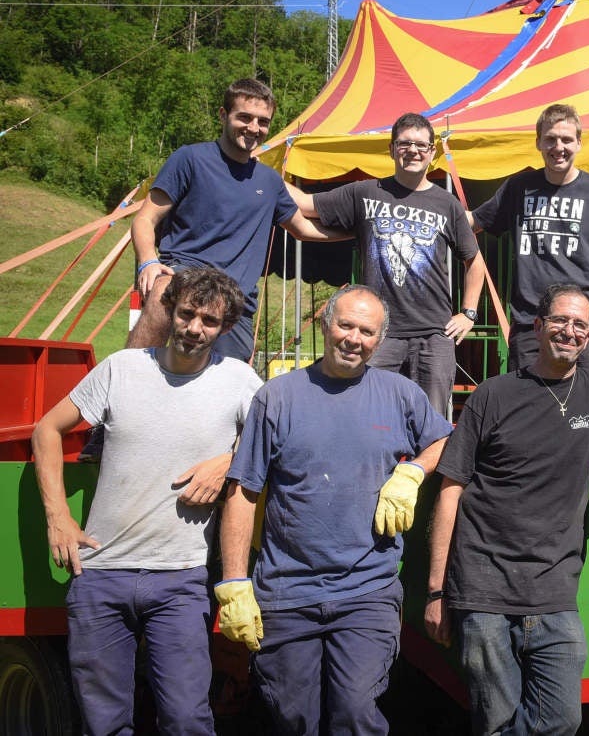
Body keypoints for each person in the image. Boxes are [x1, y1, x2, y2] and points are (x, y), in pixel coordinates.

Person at [32, 267, 263, 735]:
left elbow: (273, 443)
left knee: (186, 720)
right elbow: (45, 430)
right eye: (187, 314)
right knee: (104, 723)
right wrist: (57, 518)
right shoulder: (123, 368)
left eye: (209, 321)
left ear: (226, 328)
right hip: (99, 574)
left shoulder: (239, 380)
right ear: (170, 310)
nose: (195, 328)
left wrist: (227, 461)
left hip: (180, 580)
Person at [215, 284, 451, 735]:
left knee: (355, 714)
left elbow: (443, 439)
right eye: (345, 325)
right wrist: (233, 581)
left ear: (380, 340)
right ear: (326, 322)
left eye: (366, 331)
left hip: (367, 591)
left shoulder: (400, 394)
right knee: (292, 718)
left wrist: (414, 472)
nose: (354, 338)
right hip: (287, 592)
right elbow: (243, 492)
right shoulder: (277, 397)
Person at [424, 282, 589, 736]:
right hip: (483, 586)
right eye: (560, 320)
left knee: (563, 718)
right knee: (494, 720)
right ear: (539, 326)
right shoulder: (493, 395)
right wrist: (435, 590)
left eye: (581, 324)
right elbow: (450, 490)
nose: (570, 330)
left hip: (554, 588)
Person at [128, 77, 343, 362]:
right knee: (159, 300)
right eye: (244, 117)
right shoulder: (190, 159)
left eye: (263, 121)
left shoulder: (269, 180)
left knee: (227, 389)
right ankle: (123, 381)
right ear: (223, 115)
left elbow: (303, 227)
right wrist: (148, 261)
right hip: (187, 277)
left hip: (235, 299)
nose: (254, 128)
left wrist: (361, 231)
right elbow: (145, 219)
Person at [288, 111, 485, 414]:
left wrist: (468, 313)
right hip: (379, 332)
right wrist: (259, 172)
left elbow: (474, 261)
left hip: (434, 333)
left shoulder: (447, 204)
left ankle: (422, 464)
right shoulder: (365, 193)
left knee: (429, 419)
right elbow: (305, 204)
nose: (413, 150)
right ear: (392, 149)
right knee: (370, 413)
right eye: (404, 144)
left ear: (432, 152)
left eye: (421, 145)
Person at [469, 103, 589, 371]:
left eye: (566, 139)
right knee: (528, 407)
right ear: (538, 142)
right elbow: (475, 223)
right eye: (550, 139)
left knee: (584, 407)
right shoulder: (519, 187)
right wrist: (434, 207)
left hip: (584, 322)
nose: (558, 147)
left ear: (578, 143)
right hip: (532, 323)